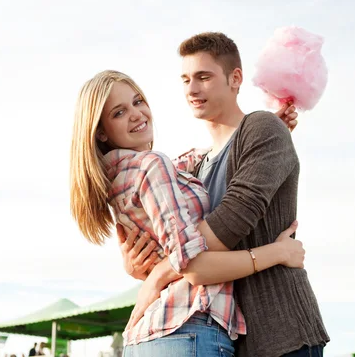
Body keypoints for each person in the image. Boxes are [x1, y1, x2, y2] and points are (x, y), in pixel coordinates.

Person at [118, 32, 330, 356]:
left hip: (282, 331)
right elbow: (177, 245)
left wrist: (160, 273)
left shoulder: (262, 129)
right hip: (229, 339)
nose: (191, 89)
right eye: (186, 79)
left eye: (204, 77)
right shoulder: (196, 167)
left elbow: (227, 226)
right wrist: (139, 265)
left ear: (235, 78)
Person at [69, 70, 306, 357]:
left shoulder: (118, 176)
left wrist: (258, 135)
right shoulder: (151, 167)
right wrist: (278, 253)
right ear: (101, 131)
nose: (136, 114)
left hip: (154, 336)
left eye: (138, 101)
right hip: (189, 329)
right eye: (119, 112)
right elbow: (194, 267)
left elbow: (191, 161)